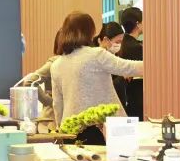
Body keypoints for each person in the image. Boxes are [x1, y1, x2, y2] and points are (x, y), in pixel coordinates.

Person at [50, 12, 144, 143]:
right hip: (101, 127)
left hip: (71, 129)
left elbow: (57, 103)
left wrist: (61, 129)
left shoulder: (56, 65)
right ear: (89, 32)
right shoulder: (96, 55)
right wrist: (156, 64)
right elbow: (128, 67)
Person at [119, 7, 144, 119]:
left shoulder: (125, 42)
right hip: (137, 97)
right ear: (138, 24)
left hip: (129, 97)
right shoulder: (135, 47)